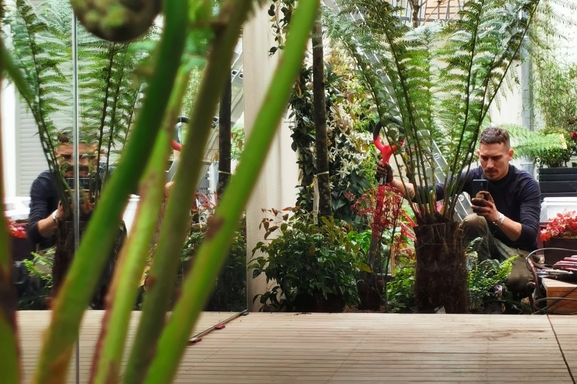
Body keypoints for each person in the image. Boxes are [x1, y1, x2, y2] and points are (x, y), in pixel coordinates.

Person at [378, 127, 541, 297]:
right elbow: (428, 194)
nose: (490, 165)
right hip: (486, 249)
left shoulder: (526, 184)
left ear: (510, 155)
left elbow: (529, 234)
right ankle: (489, 291)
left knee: (518, 281)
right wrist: (392, 181)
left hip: (518, 251)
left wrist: (496, 216)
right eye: (484, 158)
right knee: (473, 221)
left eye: (496, 158)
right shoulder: (473, 176)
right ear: (479, 154)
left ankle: (497, 287)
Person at [26, 133, 94, 250]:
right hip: (54, 256)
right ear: (55, 155)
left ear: (96, 156)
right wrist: (58, 215)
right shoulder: (45, 182)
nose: (73, 164)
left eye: (82, 157)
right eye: (66, 157)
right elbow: (34, 234)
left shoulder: (108, 178)